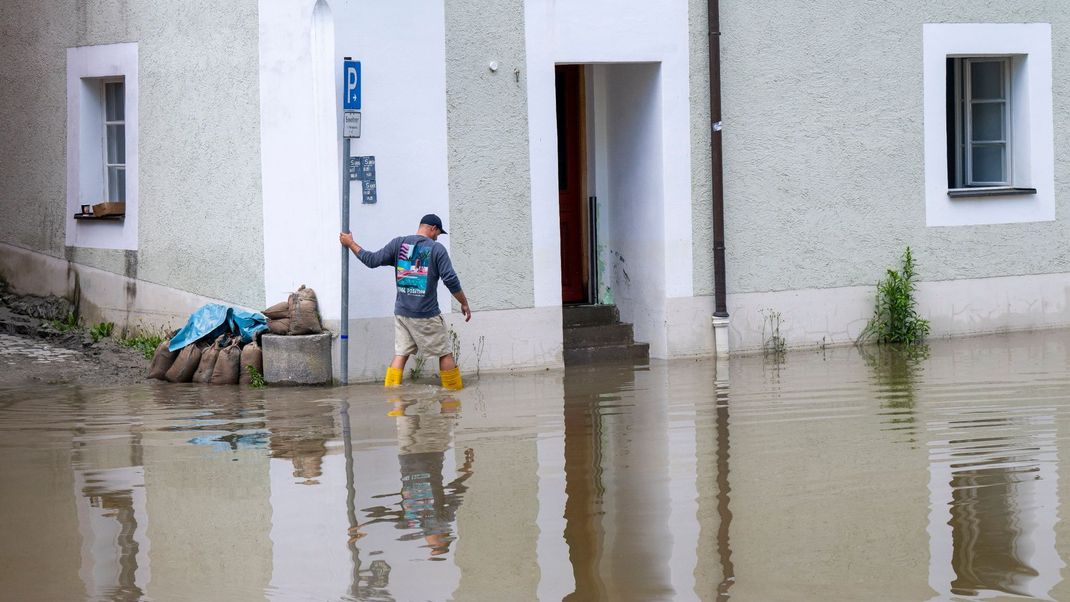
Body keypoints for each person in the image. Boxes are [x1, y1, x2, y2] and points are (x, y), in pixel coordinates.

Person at [340, 213, 471, 389]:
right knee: (444, 353)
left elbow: (371, 260)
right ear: (432, 228)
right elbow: (451, 280)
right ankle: (453, 398)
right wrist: (463, 302)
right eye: (438, 234)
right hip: (426, 315)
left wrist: (350, 243)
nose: (437, 238)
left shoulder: (398, 244)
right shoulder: (437, 249)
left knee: (401, 354)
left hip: (402, 314)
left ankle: (395, 404)